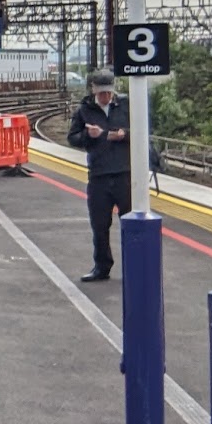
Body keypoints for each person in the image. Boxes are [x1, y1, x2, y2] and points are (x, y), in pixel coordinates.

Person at [67, 69, 131, 282]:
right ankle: (101, 266)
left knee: (130, 223)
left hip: (125, 172)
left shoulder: (126, 104)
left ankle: (134, 265)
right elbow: (72, 138)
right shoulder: (84, 110)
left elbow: (143, 130)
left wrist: (124, 135)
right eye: (101, 92)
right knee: (99, 224)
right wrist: (88, 135)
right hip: (99, 174)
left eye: (108, 92)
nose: (105, 96)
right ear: (93, 89)